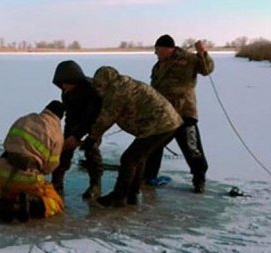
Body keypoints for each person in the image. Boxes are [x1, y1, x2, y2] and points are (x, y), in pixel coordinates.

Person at [82, 66, 183, 207]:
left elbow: (106, 118)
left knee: (129, 159)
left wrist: (92, 138)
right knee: (138, 158)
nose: (98, 89)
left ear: (106, 83)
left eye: (100, 85)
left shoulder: (116, 91)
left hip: (159, 124)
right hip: (166, 123)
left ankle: (119, 196)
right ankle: (132, 194)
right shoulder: (121, 83)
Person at [0, 100, 65, 222]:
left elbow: (7, 144)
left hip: (0, 173)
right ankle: (28, 206)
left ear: (45, 109)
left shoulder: (24, 120)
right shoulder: (57, 134)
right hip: (27, 181)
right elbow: (50, 167)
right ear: (60, 118)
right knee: (56, 202)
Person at [144, 34, 214, 193]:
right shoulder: (158, 66)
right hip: (163, 116)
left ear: (169, 49)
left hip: (184, 114)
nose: (156, 53)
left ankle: (199, 180)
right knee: (153, 146)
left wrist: (203, 54)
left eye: (158, 49)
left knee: (192, 148)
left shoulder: (188, 59)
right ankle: (149, 177)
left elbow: (206, 69)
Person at [51, 60, 103, 199]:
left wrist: (77, 136)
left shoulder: (93, 90)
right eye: (61, 84)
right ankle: (56, 182)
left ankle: (95, 185)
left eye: (66, 83)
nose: (63, 86)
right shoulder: (66, 92)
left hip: (96, 122)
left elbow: (93, 116)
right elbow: (70, 114)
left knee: (91, 149)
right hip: (76, 122)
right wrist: (68, 135)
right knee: (64, 150)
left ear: (74, 80)